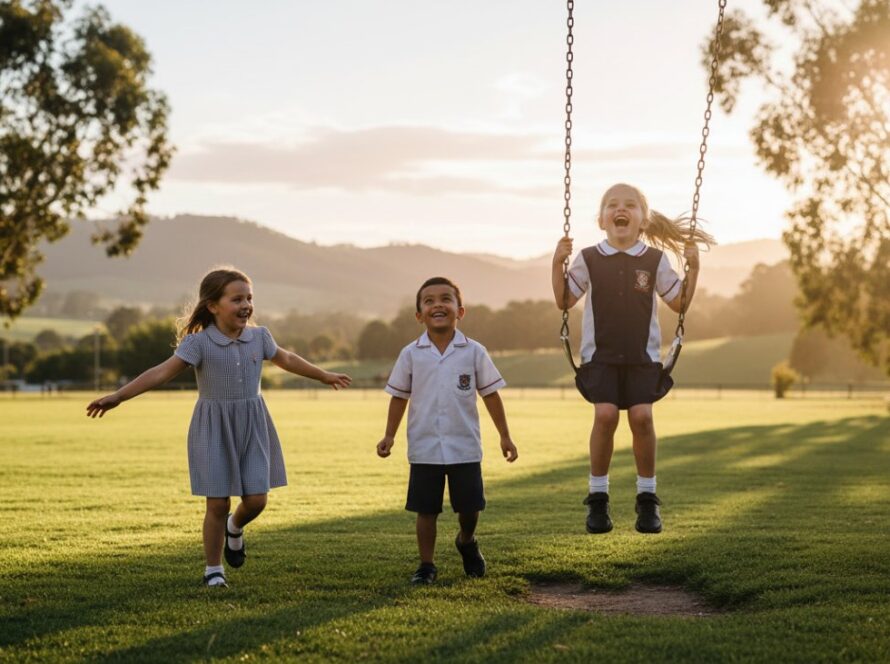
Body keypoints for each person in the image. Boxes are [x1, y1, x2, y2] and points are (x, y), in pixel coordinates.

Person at [86, 268, 351, 588]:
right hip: (213, 427)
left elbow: (288, 360)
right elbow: (160, 373)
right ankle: (214, 569)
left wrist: (324, 375)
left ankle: (234, 527)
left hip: (253, 423)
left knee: (257, 500)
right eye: (237, 299)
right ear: (213, 306)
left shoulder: (260, 337)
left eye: (249, 298)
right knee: (217, 502)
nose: (246, 305)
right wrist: (119, 396)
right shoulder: (199, 343)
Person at [551, 183, 713, 535]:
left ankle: (647, 500)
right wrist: (557, 262)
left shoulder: (654, 260)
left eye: (629, 205)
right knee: (606, 415)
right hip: (601, 357)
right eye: (612, 204)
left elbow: (679, 303)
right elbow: (564, 300)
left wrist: (694, 269)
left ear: (643, 220)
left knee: (641, 417)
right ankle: (597, 499)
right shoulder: (589, 258)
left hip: (642, 358)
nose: (620, 209)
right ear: (601, 220)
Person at [376, 277, 518, 584]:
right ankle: (426, 565)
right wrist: (389, 435)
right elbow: (399, 396)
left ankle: (466, 541)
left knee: (469, 507)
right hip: (425, 446)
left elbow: (491, 394)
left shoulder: (474, 352)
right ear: (419, 315)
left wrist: (504, 435)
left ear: (460, 311)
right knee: (425, 510)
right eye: (428, 301)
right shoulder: (411, 354)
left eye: (445, 299)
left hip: (464, 445)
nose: (437, 305)